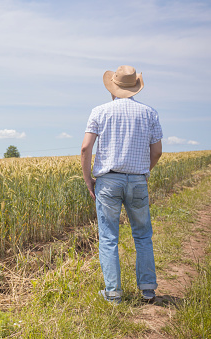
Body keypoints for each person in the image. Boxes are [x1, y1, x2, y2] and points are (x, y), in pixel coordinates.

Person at [80, 65, 163, 304]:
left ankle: (114, 293)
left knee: (108, 238)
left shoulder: (99, 111)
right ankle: (148, 289)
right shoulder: (150, 113)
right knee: (143, 236)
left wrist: (88, 179)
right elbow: (156, 151)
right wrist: (143, 172)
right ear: (135, 88)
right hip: (138, 181)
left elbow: (86, 148)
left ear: (113, 87)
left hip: (108, 181)